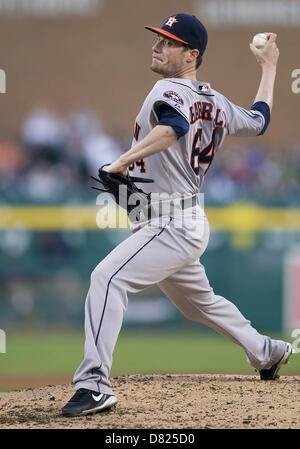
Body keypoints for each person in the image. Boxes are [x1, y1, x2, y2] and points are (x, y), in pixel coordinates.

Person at [62, 13, 292, 417]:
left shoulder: (168, 89)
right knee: (199, 304)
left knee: (107, 277)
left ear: (191, 55)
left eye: (169, 42)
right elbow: (259, 120)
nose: (157, 45)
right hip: (176, 218)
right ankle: (267, 352)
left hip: (172, 221)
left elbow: (174, 127)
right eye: (159, 38)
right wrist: (270, 66)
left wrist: (120, 162)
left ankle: (94, 384)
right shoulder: (216, 100)